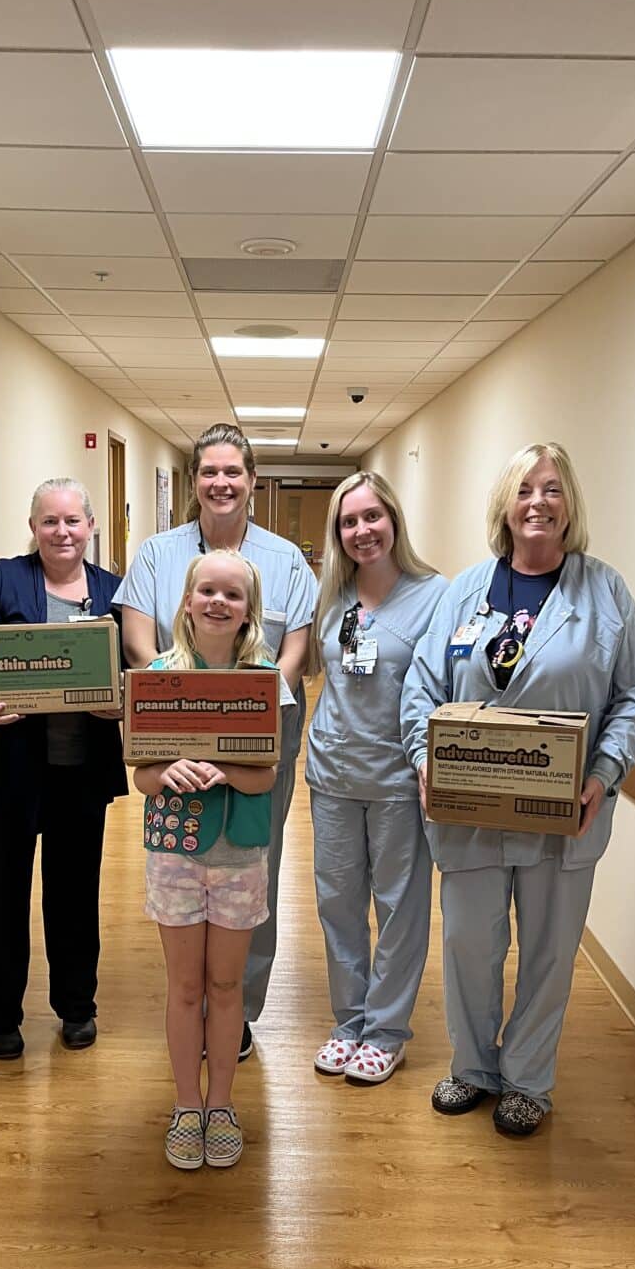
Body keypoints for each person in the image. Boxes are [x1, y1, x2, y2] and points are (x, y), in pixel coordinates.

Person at [401, 443, 635, 1136]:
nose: (538, 503)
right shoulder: (465, 591)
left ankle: (527, 1081)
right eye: (524, 490)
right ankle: (471, 1067)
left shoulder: (604, 593)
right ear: (506, 506)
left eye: (551, 489)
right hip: (470, 813)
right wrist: (423, 757)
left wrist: (605, 772)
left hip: (561, 815)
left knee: (548, 952)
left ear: (569, 504)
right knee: (467, 944)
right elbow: (421, 688)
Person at [115, 423, 316, 1059]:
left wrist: (242, 708)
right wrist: (185, 703)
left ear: (252, 482)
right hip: (173, 719)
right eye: (209, 473)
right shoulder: (155, 553)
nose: (221, 483)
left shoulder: (285, 559)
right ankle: (189, 1003)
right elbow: (139, 640)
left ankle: (237, 1009)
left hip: (264, 720)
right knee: (183, 858)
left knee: (256, 856)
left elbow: (295, 648)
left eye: (234, 473)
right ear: (193, 481)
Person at [0, 477, 127, 1060]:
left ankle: (76, 1007)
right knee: (0, 895)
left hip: (78, 773)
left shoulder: (114, 593)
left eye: (73, 521)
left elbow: (144, 666)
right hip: (4, 773)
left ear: (92, 526)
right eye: (50, 521)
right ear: (33, 527)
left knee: (73, 896)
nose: (62, 532)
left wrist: (122, 701)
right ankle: (1, 1016)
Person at [132, 552, 284, 1170]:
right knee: (185, 986)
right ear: (188, 601)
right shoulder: (161, 675)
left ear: (249, 610)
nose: (218, 602)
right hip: (175, 853)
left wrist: (224, 768)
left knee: (226, 987)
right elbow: (142, 776)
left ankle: (221, 1104)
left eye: (233, 594)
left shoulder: (262, 677)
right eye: (207, 591)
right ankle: (186, 1106)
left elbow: (267, 775)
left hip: (238, 857)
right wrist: (167, 768)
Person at [306, 472, 449, 1084]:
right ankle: (350, 1021)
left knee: (399, 908)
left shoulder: (436, 595)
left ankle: (386, 1030)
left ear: (394, 520)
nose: (361, 531)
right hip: (332, 773)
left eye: (372, 517)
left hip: (397, 779)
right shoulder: (332, 594)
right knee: (337, 906)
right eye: (348, 521)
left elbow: (444, 687)